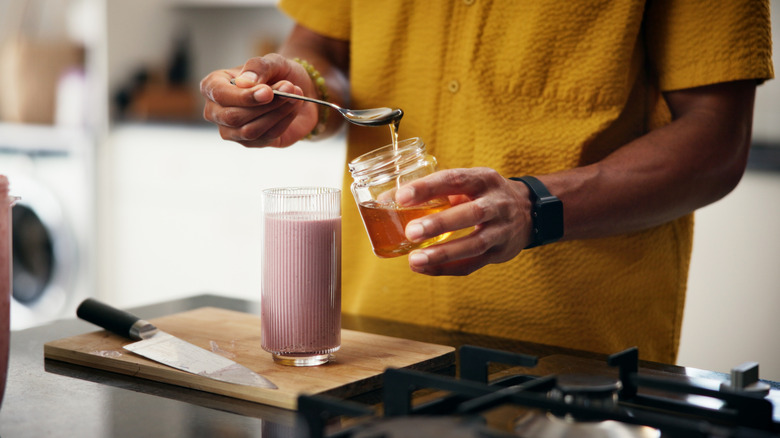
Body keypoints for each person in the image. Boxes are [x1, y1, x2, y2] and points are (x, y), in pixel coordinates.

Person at [200, 0, 774, 364]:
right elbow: (322, 43)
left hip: (574, 366)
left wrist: (534, 204)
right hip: (370, 351)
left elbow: (717, 143)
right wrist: (310, 91)